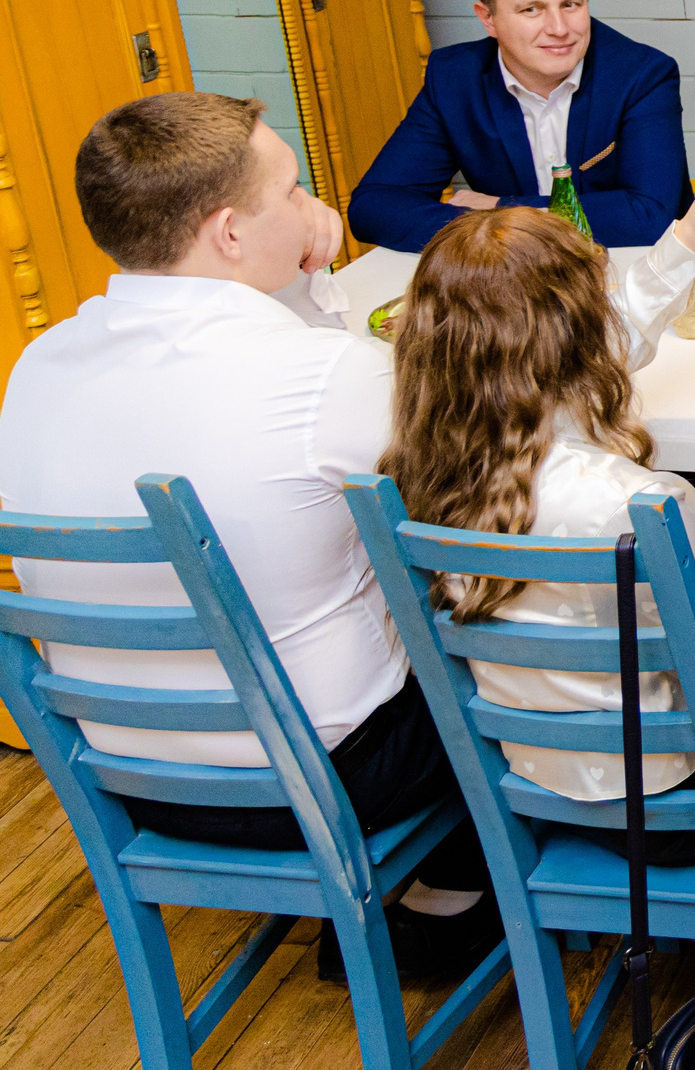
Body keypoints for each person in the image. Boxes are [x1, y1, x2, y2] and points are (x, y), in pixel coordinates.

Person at [0, 92, 497, 972]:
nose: (317, 211)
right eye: (296, 192)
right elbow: (466, 492)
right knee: (488, 619)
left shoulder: (37, 364)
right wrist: (323, 291)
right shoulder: (318, 374)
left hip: (125, 771)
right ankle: (450, 904)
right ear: (229, 232)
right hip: (322, 776)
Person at [378, 189, 695, 867]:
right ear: (576, 336)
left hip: (528, 778)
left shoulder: (414, 471)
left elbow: (612, 337)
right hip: (684, 804)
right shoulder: (640, 504)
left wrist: (688, 237)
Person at [350, 0, 690, 251]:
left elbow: (649, 217)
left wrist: (502, 210)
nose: (559, 29)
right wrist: (501, 227)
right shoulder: (456, 79)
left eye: (571, 4)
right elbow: (374, 207)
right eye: (532, 9)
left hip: (630, 273)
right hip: (512, 281)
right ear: (488, 19)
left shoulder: (642, 74)